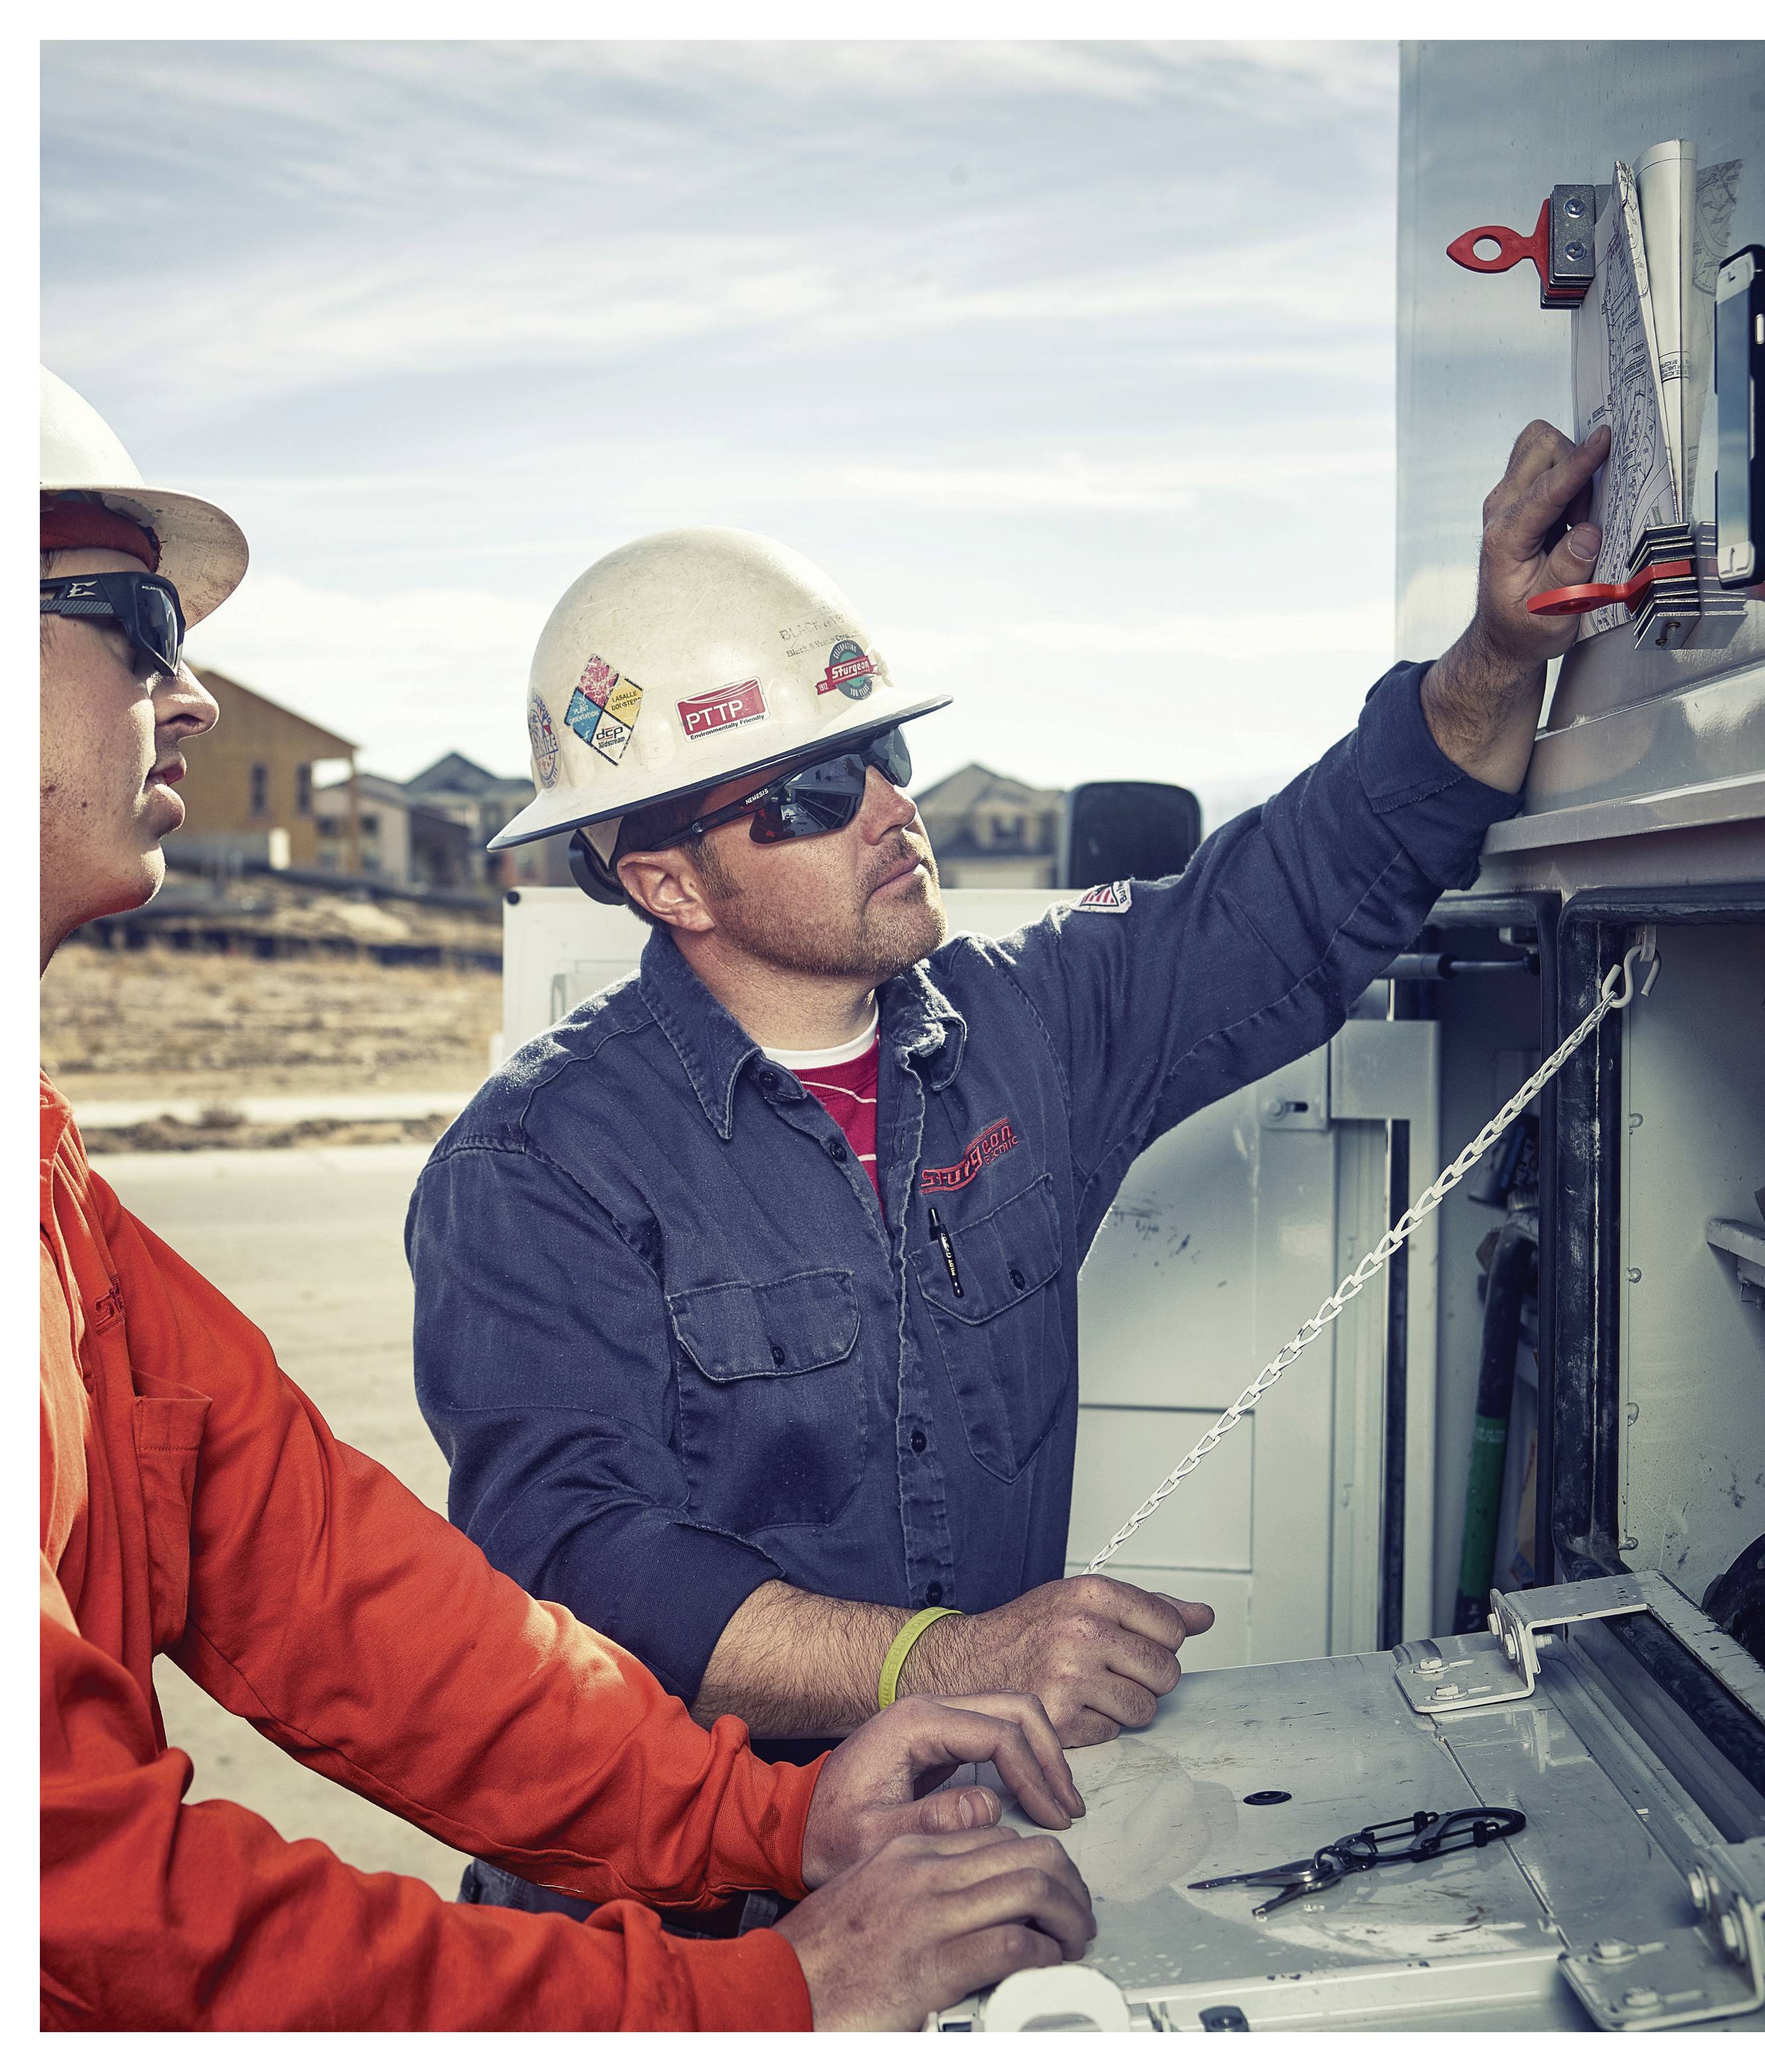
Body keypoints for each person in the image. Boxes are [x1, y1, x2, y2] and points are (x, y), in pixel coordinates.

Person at [406, 413, 1610, 1935]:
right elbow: (574, 1563)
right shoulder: (534, 1164)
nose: (892, 812)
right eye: (806, 796)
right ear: (665, 882)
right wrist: (941, 1661)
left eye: (881, 757)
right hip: (666, 1913)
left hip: (958, 1862)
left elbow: (1297, 893)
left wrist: (1497, 655)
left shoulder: (1034, 1029)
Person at [37, 365, 1096, 2032]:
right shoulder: (536, 1161)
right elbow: (77, 1915)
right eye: (136, 621)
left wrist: (769, 1820)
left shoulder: (55, 1210)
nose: (194, 699)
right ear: (663, 882)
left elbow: (358, 1613)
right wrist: (755, 1999)